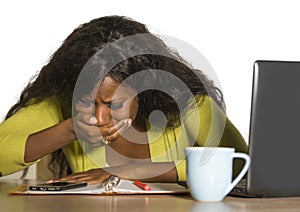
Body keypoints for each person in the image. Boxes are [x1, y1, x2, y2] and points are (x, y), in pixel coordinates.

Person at [0, 15, 248, 184]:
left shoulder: (191, 106)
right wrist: (69, 130)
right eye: (86, 102)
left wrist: (136, 171)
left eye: (114, 105)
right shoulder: (62, 104)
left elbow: (244, 168)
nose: (98, 117)